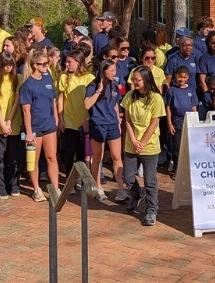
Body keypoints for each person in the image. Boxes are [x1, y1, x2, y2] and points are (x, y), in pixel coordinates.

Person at [121, 66, 166, 226]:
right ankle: (137, 193)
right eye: (133, 79)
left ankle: (151, 210)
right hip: (132, 144)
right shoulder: (129, 96)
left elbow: (154, 124)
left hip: (150, 144)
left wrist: (143, 143)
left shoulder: (156, 98)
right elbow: (127, 120)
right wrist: (133, 141)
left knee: (150, 179)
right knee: (127, 176)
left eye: (137, 80)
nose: (134, 82)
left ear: (146, 80)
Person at [20, 48, 59, 202]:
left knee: (52, 157)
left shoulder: (48, 79)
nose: (46, 66)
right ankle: (36, 188)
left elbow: (53, 100)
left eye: (47, 64)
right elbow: (26, 110)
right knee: (33, 160)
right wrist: (29, 132)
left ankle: (55, 188)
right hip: (35, 127)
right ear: (35, 65)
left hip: (49, 125)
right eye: (43, 64)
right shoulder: (27, 85)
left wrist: (56, 118)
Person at [85, 59, 126, 201]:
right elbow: (87, 105)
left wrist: (118, 122)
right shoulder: (92, 86)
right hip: (98, 124)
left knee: (117, 156)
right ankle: (98, 187)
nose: (115, 73)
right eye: (112, 71)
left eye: (115, 70)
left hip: (112, 124)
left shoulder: (115, 85)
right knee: (98, 157)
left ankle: (121, 189)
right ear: (104, 71)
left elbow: (115, 105)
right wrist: (99, 90)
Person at [56, 49, 93, 191]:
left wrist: (88, 119)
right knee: (69, 153)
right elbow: (60, 98)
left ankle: (80, 178)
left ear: (78, 63)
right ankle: (69, 181)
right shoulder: (64, 77)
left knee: (82, 153)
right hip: (69, 120)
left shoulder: (89, 78)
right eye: (66, 61)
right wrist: (60, 118)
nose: (67, 64)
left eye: (70, 62)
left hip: (83, 121)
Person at [0, 51, 22, 198]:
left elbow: (16, 101)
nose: (8, 68)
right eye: (5, 65)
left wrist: (9, 121)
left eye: (10, 65)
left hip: (13, 124)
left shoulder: (18, 79)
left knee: (13, 158)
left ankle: (13, 186)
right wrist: (2, 123)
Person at [164, 66, 197, 172]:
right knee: (177, 147)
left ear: (187, 77)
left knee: (189, 146)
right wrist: (169, 123)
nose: (182, 79)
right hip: (177, 123)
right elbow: (168, 107)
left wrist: (195, 122)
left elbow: (194, 107)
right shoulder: (172, 91)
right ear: (175, 77)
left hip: (189, 123)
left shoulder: (191, 90)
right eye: (180, 77)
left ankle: (189, 169)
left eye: (184, 77)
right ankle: (177, 169)